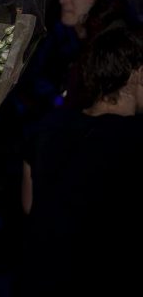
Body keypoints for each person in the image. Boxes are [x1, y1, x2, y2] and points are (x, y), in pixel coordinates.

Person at [18, 26, 143, 295]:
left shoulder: (48, 127)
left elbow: (29, 204)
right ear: (136, 73)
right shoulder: (133, 138)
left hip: (40, 277)